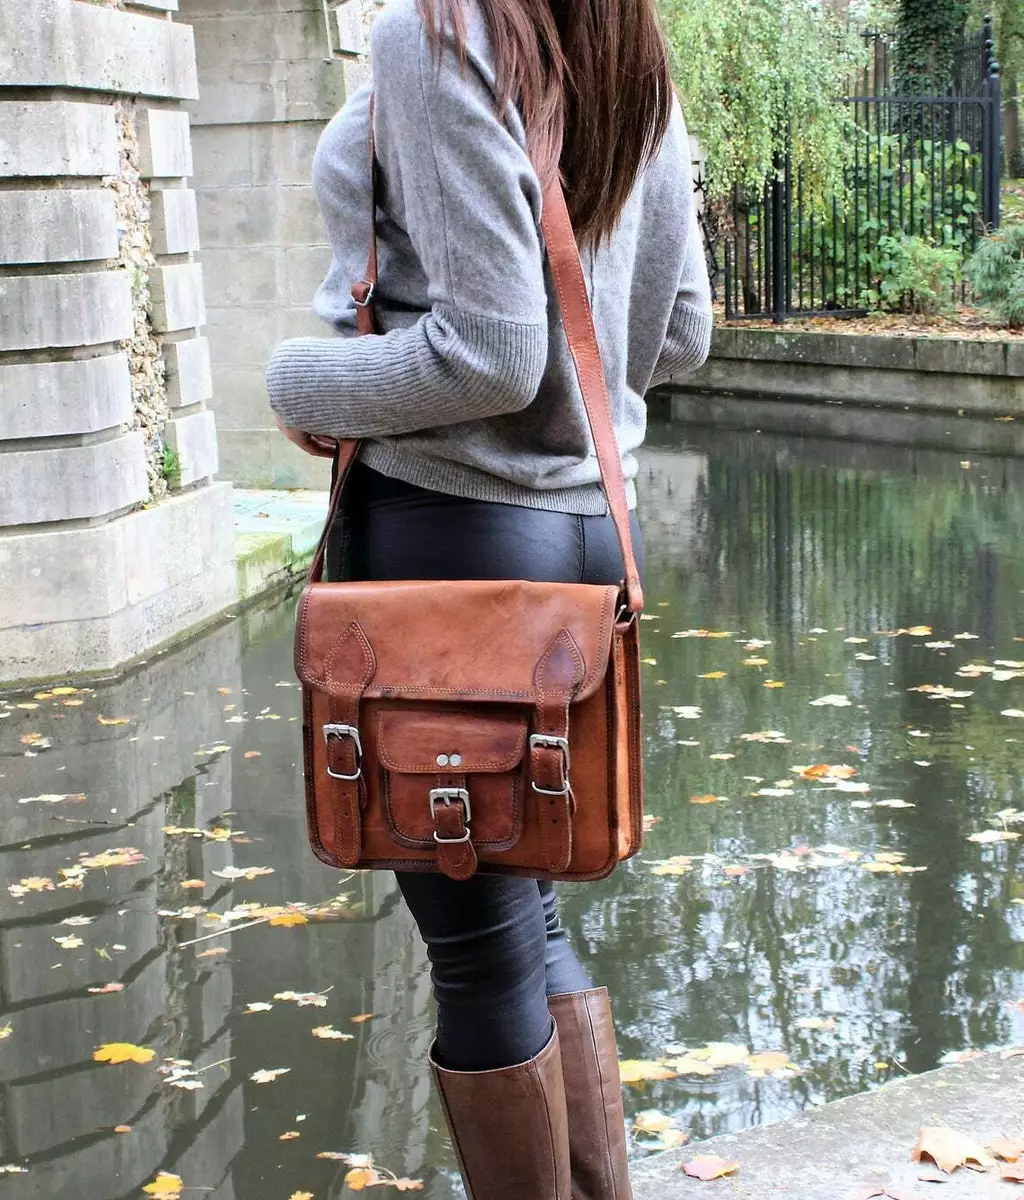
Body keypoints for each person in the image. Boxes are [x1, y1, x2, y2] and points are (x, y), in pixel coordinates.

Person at [266, 0, 711, 1193]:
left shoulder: (439, 32)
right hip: (577, 548)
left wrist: (301, 379)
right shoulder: (626, 46)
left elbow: (494, 351)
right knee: (525, 926)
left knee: (478, 952)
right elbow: (679, 334)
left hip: (447, 548)